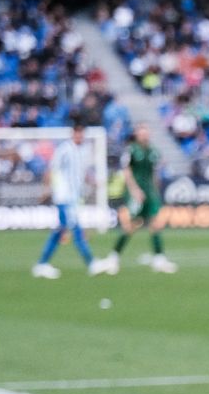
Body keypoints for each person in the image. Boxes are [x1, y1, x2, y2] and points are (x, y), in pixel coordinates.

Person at [91, 123, 174, 274]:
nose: (144, 134)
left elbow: (154, 173)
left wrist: (155, 191)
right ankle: (113, 257)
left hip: (149, 192)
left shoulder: (153, 151)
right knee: (130, 226)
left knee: (155, 224)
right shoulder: (131, 150)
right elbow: (127, 171)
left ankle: (159, 259)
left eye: (146, 131)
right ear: (136, 134)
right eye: (141, 132)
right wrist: (134, 190)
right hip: (137, 192)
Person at [32, 119, 98, 277]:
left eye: (81, 132)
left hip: (74, 196)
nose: (79, 135)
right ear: (73, 133)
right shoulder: (64, 149)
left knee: (60, 230)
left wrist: (93, 181)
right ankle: (91, 263)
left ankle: (42, 264)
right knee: (76, 228)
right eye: (77, 132)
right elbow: (51, 169)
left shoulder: (83, 151)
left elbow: (82, 173)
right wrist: (46, 189)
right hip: (64, 196)